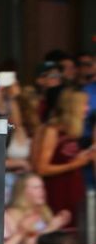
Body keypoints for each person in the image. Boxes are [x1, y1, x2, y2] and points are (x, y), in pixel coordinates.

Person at [33, 89, 96, 227]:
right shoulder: (53, 130)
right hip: (57, 190)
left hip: (74, 189)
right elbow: (41, 168)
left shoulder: (72, 132)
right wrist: (75, 164)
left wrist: (84, 156)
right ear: (72, 107)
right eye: (84, 105)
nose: (87, 108)